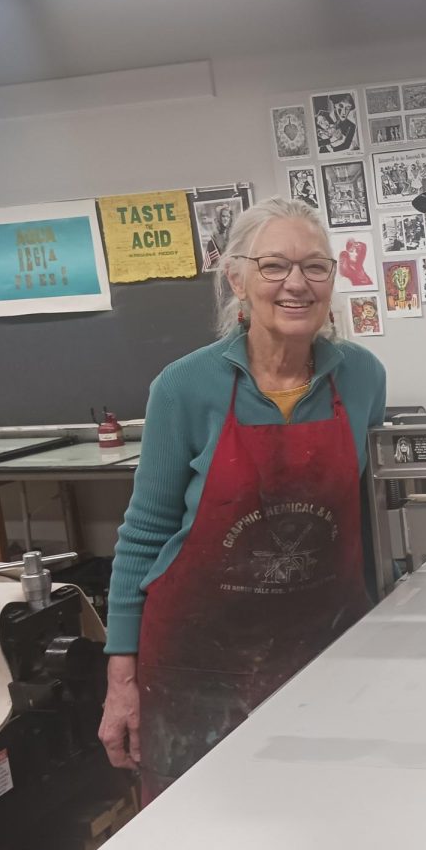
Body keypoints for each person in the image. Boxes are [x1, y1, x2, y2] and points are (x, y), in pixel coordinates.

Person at [98, 197, 388, 803]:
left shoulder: (361, 377)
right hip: (198, 664)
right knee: (205, 826)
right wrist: (121, 674)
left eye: (315, 267)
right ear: (236, 277)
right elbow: (145, 532)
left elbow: (371, 515)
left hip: (325, 652)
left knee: (329, 813)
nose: (296, 284)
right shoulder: (184, 387)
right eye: (274, 265)